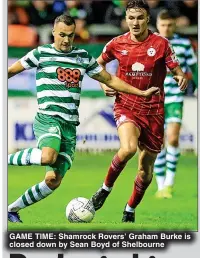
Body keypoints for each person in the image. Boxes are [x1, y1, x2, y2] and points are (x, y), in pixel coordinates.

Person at [8, 14, 158, 223]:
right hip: (48, 118)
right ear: (53, 33)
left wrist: (139, 93)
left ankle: (11, 209)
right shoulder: (40, 53)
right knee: (48, 156)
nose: (66, 40)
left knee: (52, 180)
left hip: (70, 126)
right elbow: (10, 71)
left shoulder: (82, 57)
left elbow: (109, 78)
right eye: (62, 35)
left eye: (70, 35)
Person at [91, 0, 188, 223]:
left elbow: (176, 70)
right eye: (131, 18)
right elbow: (96, 67)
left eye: (140, 18)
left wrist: (180, 76)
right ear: (126, 19)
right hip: (126, 105)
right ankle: (105, 189)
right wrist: (104, 84)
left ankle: (130, 209)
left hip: (154, 110)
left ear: (147, 19)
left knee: (145, 171)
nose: (135, 22)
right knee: (128, 149)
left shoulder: (161, 44)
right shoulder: (116, 43)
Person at [154, 10, 197, 199]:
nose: (166, 28)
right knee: (156, 143)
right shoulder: (150, 43)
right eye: (163, 25)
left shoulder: (184, 44)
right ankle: (160, 185)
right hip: (153, 99)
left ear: (175, 25)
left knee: (172, 139)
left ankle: (169, 185)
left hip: (174, 98)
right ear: (157, 25)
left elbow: (194, 68)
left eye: (170, 25)